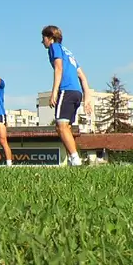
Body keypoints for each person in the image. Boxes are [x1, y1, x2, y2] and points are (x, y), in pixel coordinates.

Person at [41, 25, 93, 166]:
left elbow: (58, 68)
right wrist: (87, 98)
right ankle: (72, 159)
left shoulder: (55, 47)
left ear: (50, 38)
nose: (42, 42)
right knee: (67, 128)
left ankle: (75, 159)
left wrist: (54, 92)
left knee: (61, 126)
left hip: (66, 90)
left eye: (43, 38)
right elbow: (82, 76)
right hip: (77, 92)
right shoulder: (69, 53)